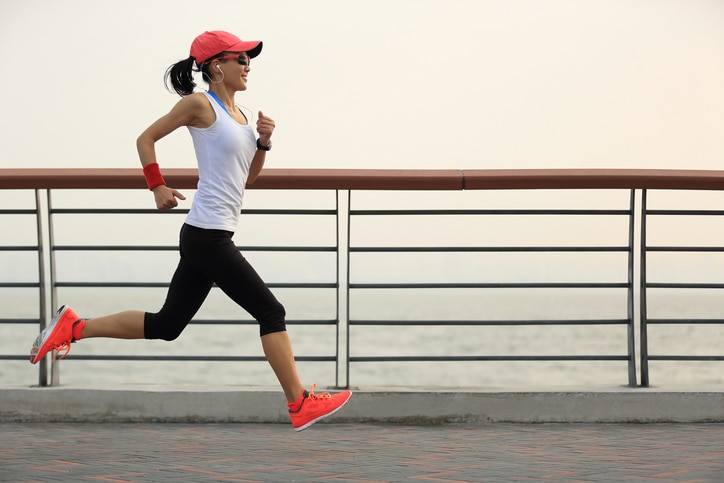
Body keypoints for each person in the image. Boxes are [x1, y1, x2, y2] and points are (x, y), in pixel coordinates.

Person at [29, 30, 352, 431]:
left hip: (212, 234)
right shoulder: (200, 104)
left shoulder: (242, 116)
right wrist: (157, 185)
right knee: (271, 311)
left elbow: (246, 179)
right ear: (217, 65)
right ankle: (299, 403)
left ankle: (74, 327)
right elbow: (145, 138)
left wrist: (264, 143)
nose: (249, 65)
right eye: (241, 58)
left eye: (250, 59)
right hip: (208, 236)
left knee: (167, 326)